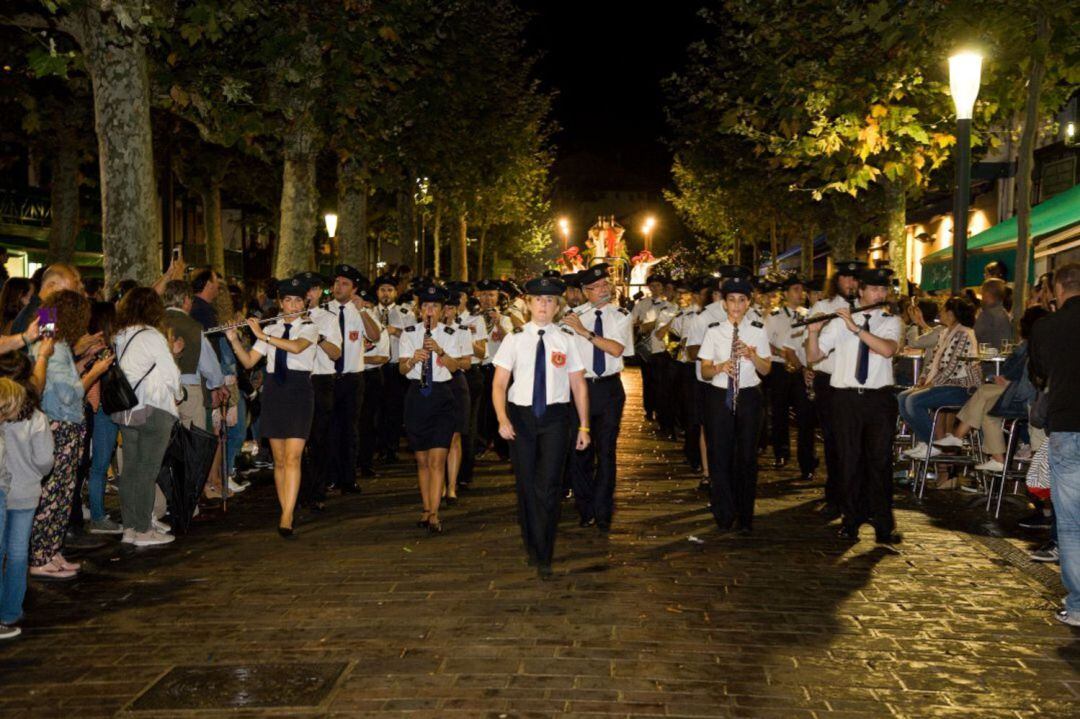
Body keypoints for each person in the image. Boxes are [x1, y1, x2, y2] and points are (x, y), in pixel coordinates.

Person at [492, 276, 590, 579]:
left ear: (557, 305)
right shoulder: (515, 337)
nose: (544, 305)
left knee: (548, 485)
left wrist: (584, 427)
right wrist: (502, 419)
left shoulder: (566, 338)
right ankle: (532, 541)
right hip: (520, 418)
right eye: (538, 300)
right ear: (530, 304)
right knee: (526, 484)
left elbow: (578, 385)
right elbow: (498, 384)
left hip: (555, 419)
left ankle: (544, 548)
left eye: (550, 300)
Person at [806, 267, 902, 544]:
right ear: (860, 291)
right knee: (848, 459)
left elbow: (887, 349)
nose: (879, 294)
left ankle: (884, 523)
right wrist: (813, 333)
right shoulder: (837, 322)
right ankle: (851, 520)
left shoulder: (889, 320)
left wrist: (856, 329)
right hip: (846, 397)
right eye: (873, 289)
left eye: (883, 290)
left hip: (878, 397)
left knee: (880, 461)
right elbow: (814, 356)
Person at [27, 291, 112, 579]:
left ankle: (51, 550)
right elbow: (68, 392)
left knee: (63, 493)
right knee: (55, 493)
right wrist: (95, 371)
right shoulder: (53, 340)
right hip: (61, 425)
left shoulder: (53, 338)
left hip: (62, 423)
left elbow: (62, 378)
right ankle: (41, 555)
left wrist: (84, 362)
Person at [226, 277, 319, 538]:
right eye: (287, 300)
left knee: (293, 456)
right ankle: (284, 509)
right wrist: (234, 339)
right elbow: (248, 362)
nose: (292, 305)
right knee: (279, 459)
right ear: (280, 303)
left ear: (304, 303)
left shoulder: (310, 327)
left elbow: (297, 347)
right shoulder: (272, 328)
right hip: (275, 393)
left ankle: (287, 515)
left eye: (297, 300)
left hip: (299, 391)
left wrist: (262, 335)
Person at [1027, 263, 1080, 627]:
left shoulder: (1047, 326)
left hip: (1067, 423)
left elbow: (1038, 371)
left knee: (1073, 521)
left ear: (1058, 289)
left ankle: (1078, 605)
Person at [698, 273, 772, 533]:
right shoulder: (714, 332)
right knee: (720, 455)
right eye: (732, 300)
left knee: (747, 457)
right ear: (724, 303)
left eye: (742, 300)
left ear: (749, 303)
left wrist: (752, 355)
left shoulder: (758, 330)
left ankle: (745, 515)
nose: (737, 305)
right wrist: (719, 367)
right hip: (720, 397)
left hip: (749, 395)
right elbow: (704, 371)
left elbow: (766, 370)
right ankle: (723, 511)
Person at [933, 306, 1047, 473]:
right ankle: (996, 458)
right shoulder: (1031, 345)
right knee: (987, 407)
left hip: (1028, 400)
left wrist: (1007, 384)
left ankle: (959, 437)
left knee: (985, 393)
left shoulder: (1033, 347)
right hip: (1024, 395)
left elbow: (1025, 386)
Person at [562, 263, 632, 532]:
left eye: (606, 285)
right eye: (597, 287)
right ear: (585, 291)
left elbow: (615, 349)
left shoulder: (620, 315)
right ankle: (585, 507)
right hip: (580, 388)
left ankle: (603, 509)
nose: (604, 290)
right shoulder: (573, 317)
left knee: (606, 450)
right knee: (580, 450)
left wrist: (585, 332)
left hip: (609, 388)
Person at [111, 287, 182, 547]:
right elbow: (170, 373)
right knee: (147, 470)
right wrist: (179, 393)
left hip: (126, 410)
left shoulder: (120, 335)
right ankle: (143, 530)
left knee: (130, 470)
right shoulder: (152, 335)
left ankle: (130, 527)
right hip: (153, 407)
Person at [398, 284, 469, 534]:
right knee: (422, 460)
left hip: (442, 396)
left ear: (441, 310)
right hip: (417, 396)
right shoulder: (408, 333)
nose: (430, 311)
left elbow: (455, 367)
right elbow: (402, 370)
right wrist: (412, 360)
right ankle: (426, 507)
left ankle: (435, 513)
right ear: (419, 310)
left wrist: (439, 350)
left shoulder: (451, 333)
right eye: (426, 306)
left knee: (437, 459)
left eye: (435, 307)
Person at [803, 260, 863, 520]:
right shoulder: (822, 307)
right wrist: (809, 366)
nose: (851, 283)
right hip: (829, 379)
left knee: (857, 440)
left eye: (855, 279)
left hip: (858, 382)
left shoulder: (866, 308)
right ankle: (835, 494)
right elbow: (810, 341)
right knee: (833, 440)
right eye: (846, 278)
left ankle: (856, 496)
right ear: (837, 280)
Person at [899, 297, 980, 463]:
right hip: (944, 384)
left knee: (914, 401)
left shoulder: (964, 334)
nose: (940, 313)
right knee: (902, 398)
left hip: (961, 387)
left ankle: (932, 443)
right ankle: (926, 441)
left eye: (943, 310)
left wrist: (929, 385)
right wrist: (922, 379)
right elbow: (933, 360)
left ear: (951, 314)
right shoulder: (945, 333)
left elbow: (952, 368)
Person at [1, 375, 49, 637]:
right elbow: (44, 460)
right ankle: (10, 611)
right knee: (18, 552)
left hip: (5, 491)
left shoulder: (4, 420)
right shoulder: (36, 419)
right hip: (25, 490)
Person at [326, 265, 379, 494]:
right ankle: (329, 476)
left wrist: (363, 311)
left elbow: (375, 336)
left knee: (349, 429)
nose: (339, 287)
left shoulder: (362, 311)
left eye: (345, 283)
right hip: (326, 377)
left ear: (355, 289)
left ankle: (348, 477)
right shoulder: (322, 311)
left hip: (352, 378)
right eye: (337, 283)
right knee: (328, 429)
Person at [296, 273, 342, 511]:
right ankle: (297, 490)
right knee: (296, 441)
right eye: (305, 291)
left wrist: (318, 335)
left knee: (318, 439)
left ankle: (317, 490)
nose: (308, 295)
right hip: (295, 382)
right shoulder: (289, 318)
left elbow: (336, 353)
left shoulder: (328, 319)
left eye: (313, 290)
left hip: (320, 380)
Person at [764, 275, 816, 480]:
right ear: (785, 294)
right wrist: (783, 354)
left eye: (802, 290)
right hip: (779, 368)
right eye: (795, 289)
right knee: (779, 412)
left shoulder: (809, 314)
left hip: (802, 368)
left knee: (806, 416)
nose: (800, 294)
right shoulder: (774, 316)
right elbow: (766, 342)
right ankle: (781, 452)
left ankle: (807, 461)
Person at [476, 278, 513, 461]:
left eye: (491, 295)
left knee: (500, 407)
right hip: (481, 368)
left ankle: (503, 447)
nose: (487, 299)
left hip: (500, 370)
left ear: (497, 297)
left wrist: (498, 323)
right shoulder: (472, 319)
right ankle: (482, 443)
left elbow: (512, 342)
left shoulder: (506, 319)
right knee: (482, 410)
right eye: (483, 295)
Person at [373, 275, 409, 463]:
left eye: (389, 290)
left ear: (396, 293)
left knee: (394, 409)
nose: (386, 294)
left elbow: (414, 337)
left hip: (395, 367)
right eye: (382, 290)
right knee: (376, 409)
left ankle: (391, 447)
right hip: (374, 366)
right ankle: (376, 446)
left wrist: (396, 331)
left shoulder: (405, 313)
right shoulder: (370, 312)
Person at [356, 288, 390, 478]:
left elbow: (382, 357)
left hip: (371, 377)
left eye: (367, 307)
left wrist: (357, 358)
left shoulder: (379, 329)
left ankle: (366, 463)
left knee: (368, 422)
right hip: (353, 375)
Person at [974, 278, 1014, 352]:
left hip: (988, 360)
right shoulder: (1004, 314)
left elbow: (975, 336)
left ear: (987, 294)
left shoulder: (987, 315)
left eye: (982, 293)